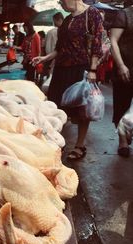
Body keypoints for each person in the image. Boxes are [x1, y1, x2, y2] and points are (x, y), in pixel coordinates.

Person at [32, 0, 103, 160]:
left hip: (81, 68)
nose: (61, 3)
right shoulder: (67, 19)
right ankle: (55, 143)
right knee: (56, 107)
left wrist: (92, 70)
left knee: (82, 109)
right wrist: (45, 57)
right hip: (61, 69)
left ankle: (79, 146)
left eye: (62, 0)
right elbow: (59, 48)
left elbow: (97, 44)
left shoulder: (91, 13)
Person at [109, 1, 133, 157]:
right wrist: (121, 65)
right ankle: (122, 140)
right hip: (126, 66)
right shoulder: (124, 14)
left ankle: (128, 129)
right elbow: (113, 41)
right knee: (122, 103)